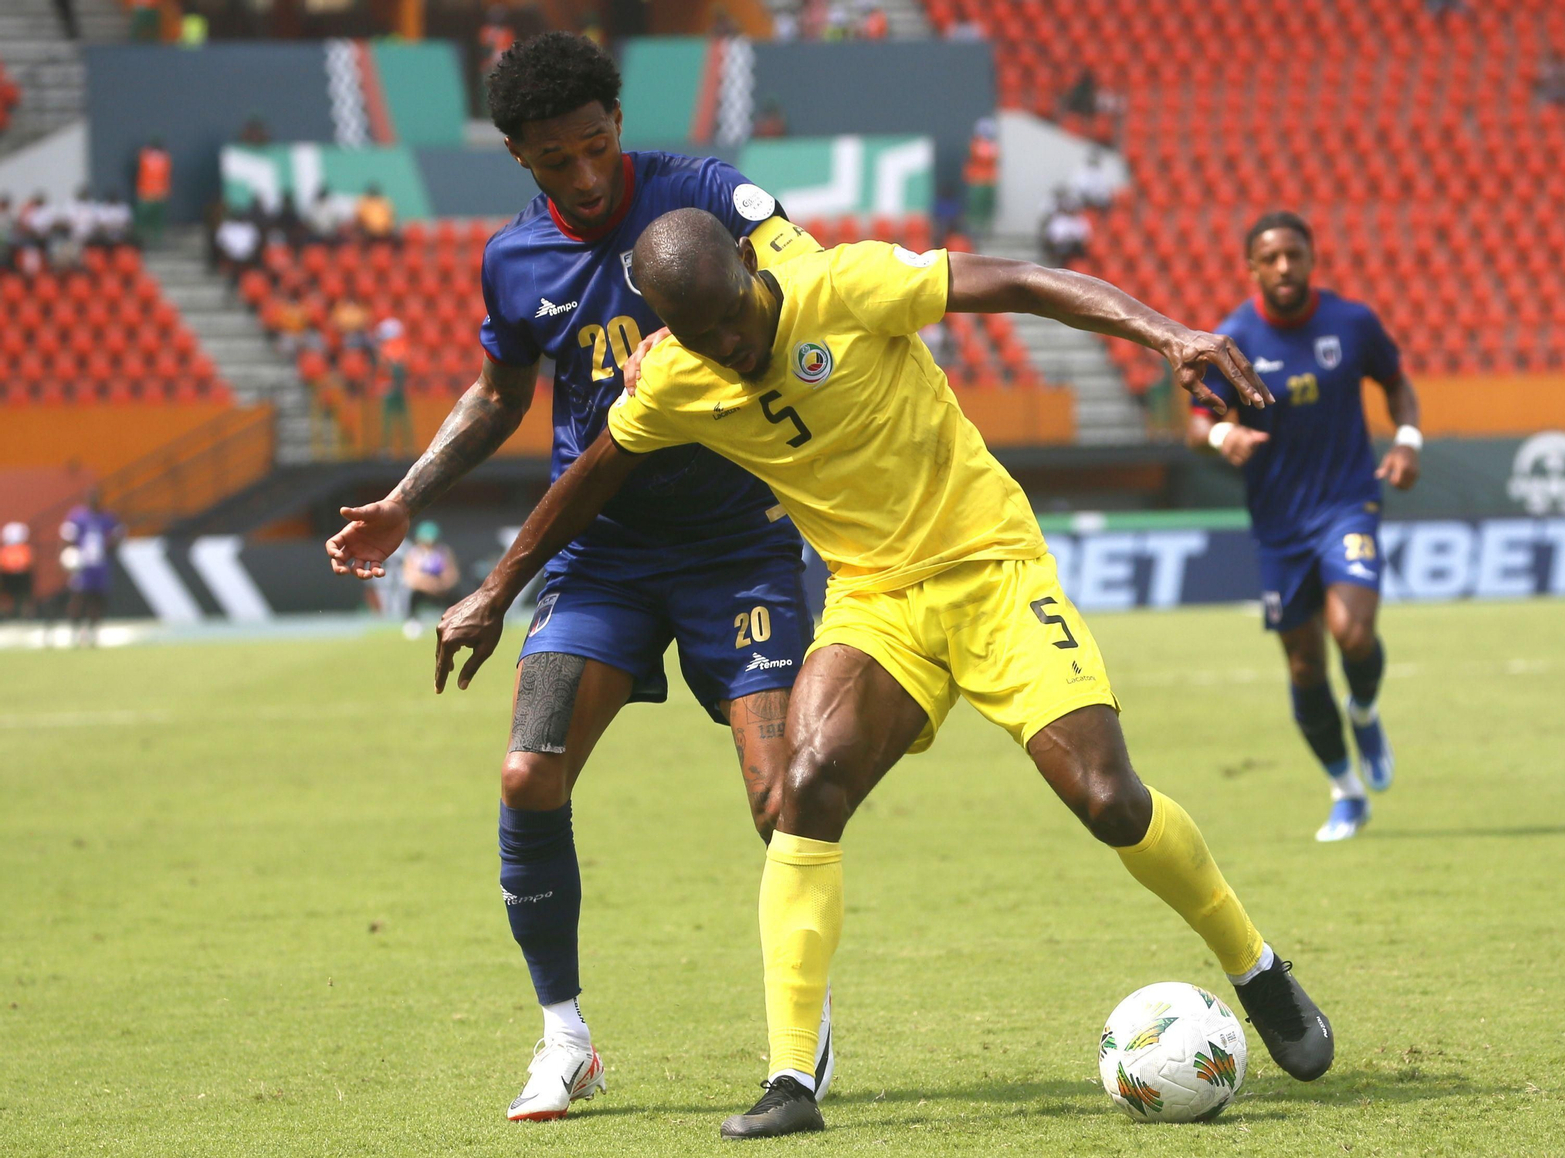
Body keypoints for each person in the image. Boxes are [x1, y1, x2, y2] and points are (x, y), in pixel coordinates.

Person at [432, 208, 1337, 1139]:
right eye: (702, 335)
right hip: (874, 602)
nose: (731, 347)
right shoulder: (671, 376)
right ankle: (791, 1079)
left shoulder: (850, 286)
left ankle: (1256, 969)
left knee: (1107, 797)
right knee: (804, 788)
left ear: (749, 264)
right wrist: (496, 591)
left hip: (992, 569)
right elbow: (594, 471)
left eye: (733, 320)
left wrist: (1168, 334)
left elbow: (1018, 281)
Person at [322, 32, 835, 1124]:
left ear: (618, 122)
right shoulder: (513, 260)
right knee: (525, 776)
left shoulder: (708, 196)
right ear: (519, 156)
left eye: (598, 147)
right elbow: (501, 395)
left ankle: (800, 1034)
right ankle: (565, 1039)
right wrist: (407, 497)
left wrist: (708, 333)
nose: (586, 176)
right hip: (596, 553)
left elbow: (808, 285)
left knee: (780, 798)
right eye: (557, 161)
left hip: (736, 540)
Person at [1186, 211, 1421, 843]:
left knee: (1352, 631)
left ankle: (1365, 710)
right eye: (1271, 257)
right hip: (1278, 523)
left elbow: (1399, 387)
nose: (1284, 266)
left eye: (1294, 254)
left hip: (1348, 502)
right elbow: (1195, 423)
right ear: (1253, 267)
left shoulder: (1353, 322)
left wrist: (1407, 440)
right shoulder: (1232, 340)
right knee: (1303, 667)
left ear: (1312, 257)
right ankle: (1346, 791)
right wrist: (1222, 430)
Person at [60, 491, 123, 647]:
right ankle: (74, 633)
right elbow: (67, 538)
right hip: (82, 565)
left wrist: (110, 545)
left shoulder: (108, 517)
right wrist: (66, 557)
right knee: (78, 597)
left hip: (101, 565)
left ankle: (93, 633)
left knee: (98, 599)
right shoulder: (78, 517)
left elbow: (118, 534)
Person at [401, 521, 461, 640]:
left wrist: (441, 585)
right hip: (422, 590)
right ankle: (413, 623)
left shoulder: (444, 552)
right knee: (412, 596)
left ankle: (455, 624)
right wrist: (428, 585)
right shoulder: (413, 554)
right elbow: (409, 577)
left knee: (456, 597)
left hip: (442, 590)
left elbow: (453, 575)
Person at [375, 318, 413, 458]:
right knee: (392, 419)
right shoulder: (397, 348)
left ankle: (399, 447)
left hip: (394, 388)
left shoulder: (392, 348)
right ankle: (393, 447)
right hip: (391, 388)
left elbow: (395, 366)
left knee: (398, 419)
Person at [962, 117, 999, 235]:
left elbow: (994, 158)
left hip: (989, 180)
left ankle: (987, 229)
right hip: (977, 180)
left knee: (987, 207)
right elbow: (978, 156)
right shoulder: (974, 144)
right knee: (976, 206)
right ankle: (974, 228)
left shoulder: (993, 145)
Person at [133, 138, 171, 246]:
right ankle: (144, 234)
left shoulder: (159, 157)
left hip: (154, 191)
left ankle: (155, 236)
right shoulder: (161, 157)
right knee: (145, 215)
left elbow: (166, 175)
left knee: (156, 217)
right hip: (149, 190)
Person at [0, 522, 36, 621]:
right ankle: (6, 615)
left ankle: (26, 615)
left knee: (24, 596)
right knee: (7, 596)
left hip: (21, 576)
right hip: (9, 576)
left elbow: (27, 563)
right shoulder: (6, 550)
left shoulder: (24, 549)